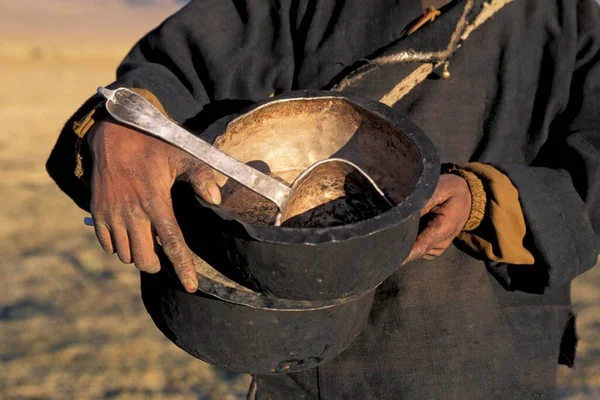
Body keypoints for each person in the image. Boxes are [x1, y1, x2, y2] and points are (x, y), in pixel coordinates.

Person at [47, 0, 600, 398]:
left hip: (482, 345)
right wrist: (128, 124)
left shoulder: (575, 19)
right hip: (305, 349)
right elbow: (171, 71)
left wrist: (486, 198)